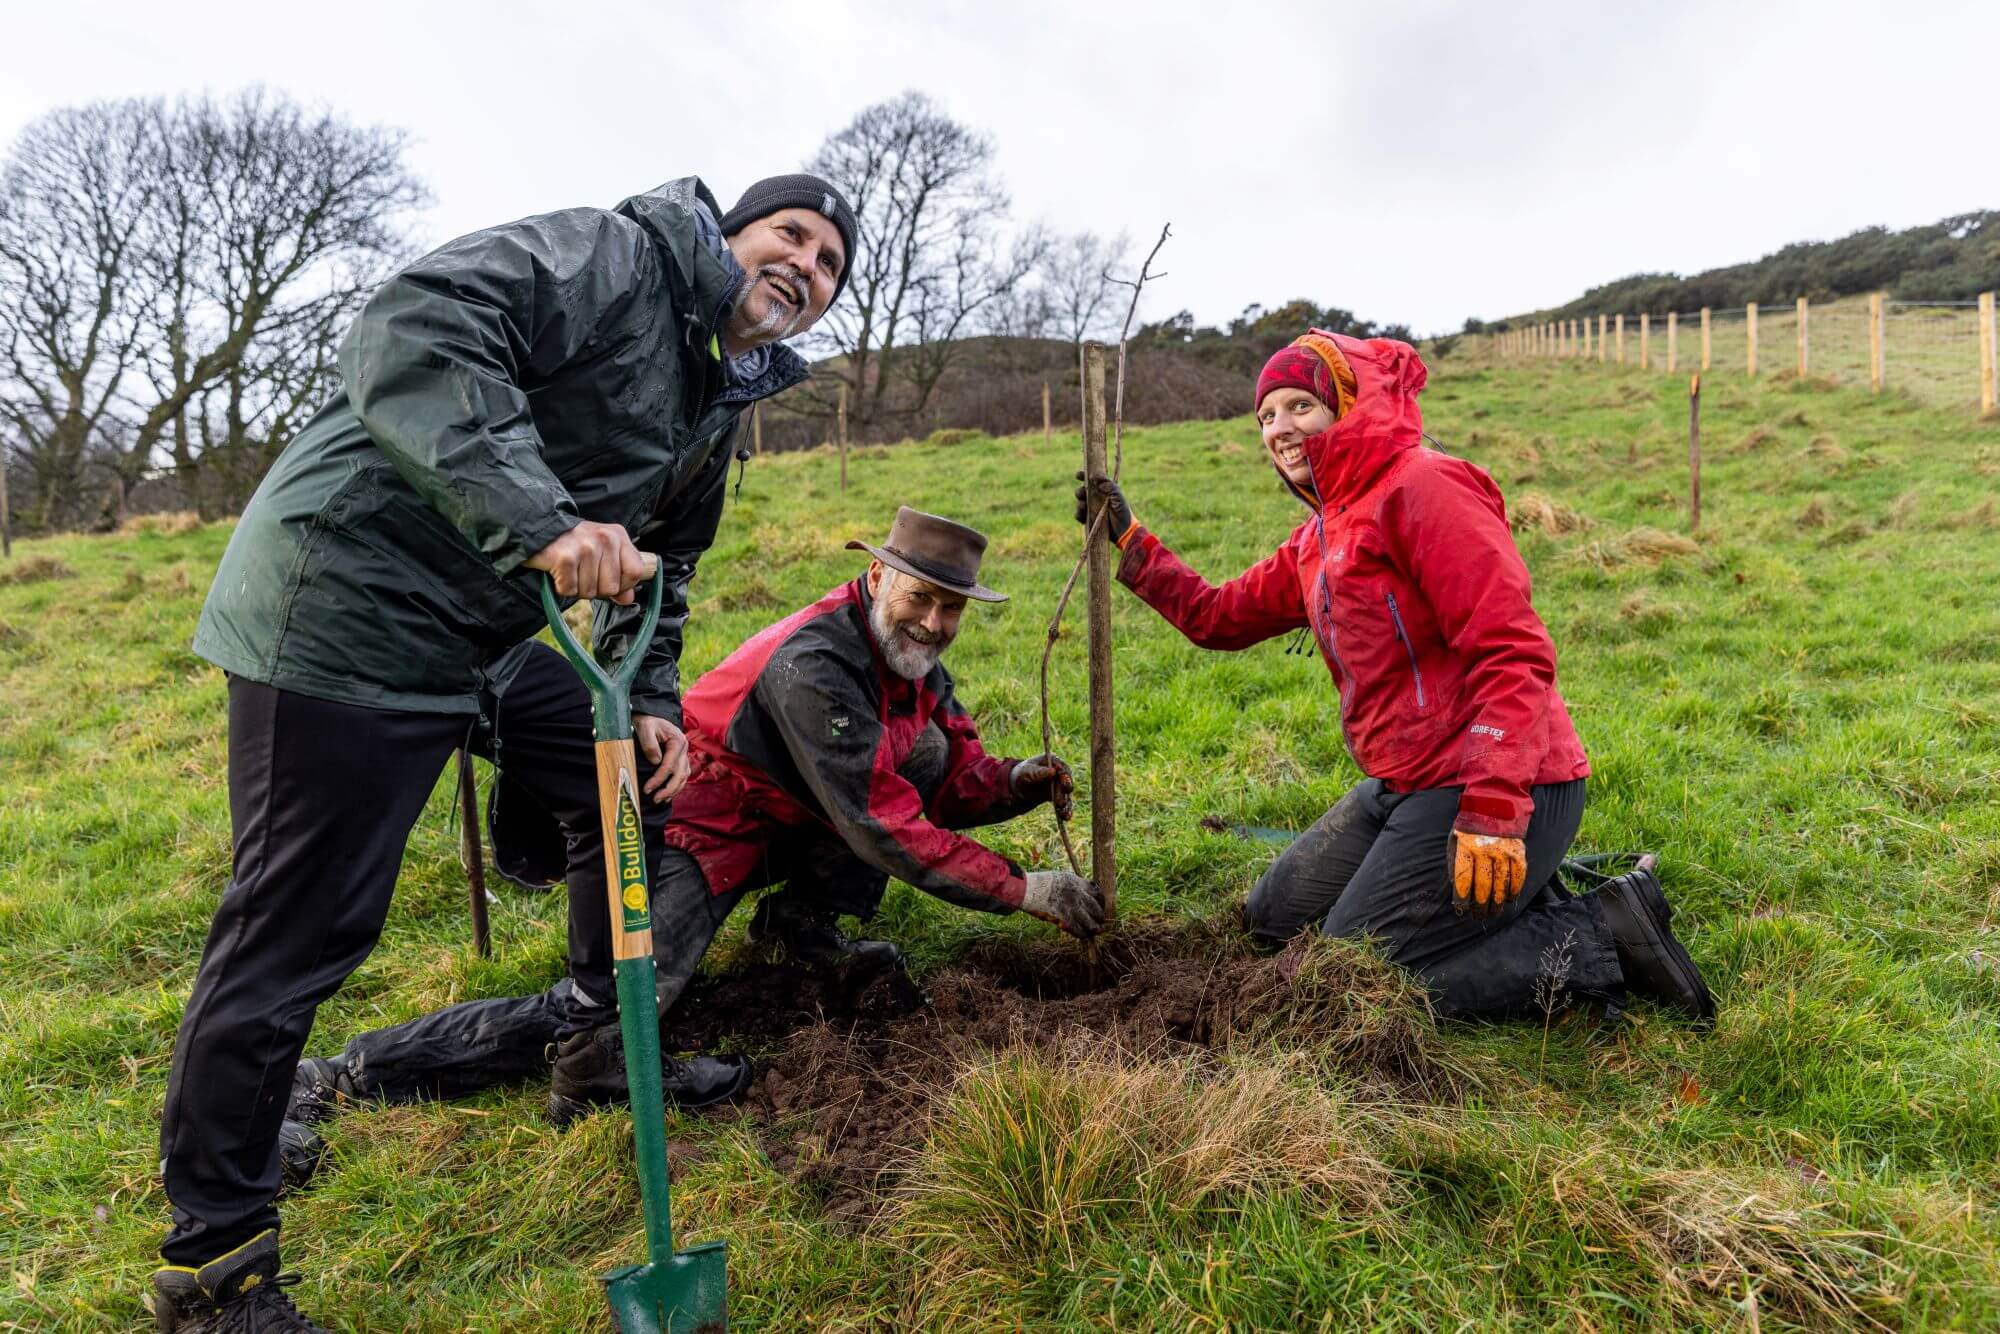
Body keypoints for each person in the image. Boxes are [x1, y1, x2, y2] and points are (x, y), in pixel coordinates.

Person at [152, 172, 858, 1333]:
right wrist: (538, 516)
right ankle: (216, 1268)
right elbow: (413, 322)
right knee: (302, 920)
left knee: (624, 785)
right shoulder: (612, 260)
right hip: (347, 603)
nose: (805, 265)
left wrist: (649, 695)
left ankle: (592, 1050)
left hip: (475, 631)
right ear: (730, 234)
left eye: (831, 265)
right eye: (791, 233)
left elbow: (662, 566)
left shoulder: (718, 395)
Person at [284, 507, 1103, 1133]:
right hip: (696, 811)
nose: (935, 621)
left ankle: (800, 926)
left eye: (952, 607)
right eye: (922, 598)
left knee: (915, 756)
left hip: (791, 805)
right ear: (880, 579)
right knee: (612, 1009)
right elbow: (880, 825)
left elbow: (947, 776)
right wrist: (1024, 888)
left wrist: (1015, 784)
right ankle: (350, 1069)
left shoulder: (910, 662)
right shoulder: (815, 664)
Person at [1076, 330, 1713, 1023]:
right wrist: (1133, 540)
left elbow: (1514, 653)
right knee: (1273, 918)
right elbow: (1218, 617)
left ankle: (1605, 933)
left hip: (1506, 781)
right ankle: (1507, 900)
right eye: (1266, 416)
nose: (1279, 428)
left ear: (1344, 407)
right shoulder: (1323, 533)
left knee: (1349, 978)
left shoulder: (1423, 486)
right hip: (1407, 783)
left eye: (1299, 406)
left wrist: (1494, 809)